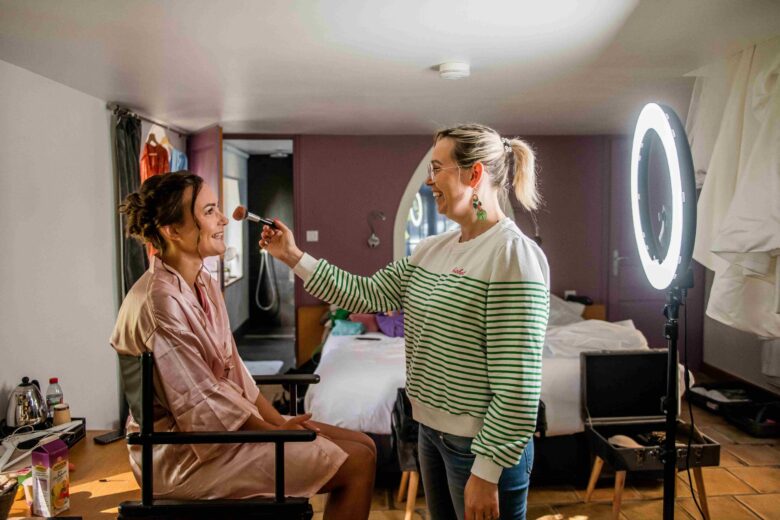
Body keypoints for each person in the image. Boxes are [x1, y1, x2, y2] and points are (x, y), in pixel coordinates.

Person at [261, 123, 550, 520]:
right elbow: (366, 294)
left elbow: (518, 385)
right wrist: (293, 256)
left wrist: (487, 471)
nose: (430, 181)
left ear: (474, 174)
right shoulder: (431, 249)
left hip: (479, 448)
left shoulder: (512, 255)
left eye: (438, 168)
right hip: (430, 434)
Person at [110, 171, 376, 520]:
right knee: (358, 463)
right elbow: (200, 404)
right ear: (172, 230)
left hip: (220, 430)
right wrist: (272, 432)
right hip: (184, 455)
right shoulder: (160, 303)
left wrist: (277, 423)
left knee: (366, 444)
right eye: (209, 211)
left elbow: (234, 369)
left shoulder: (204, 282)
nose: (223, 219)